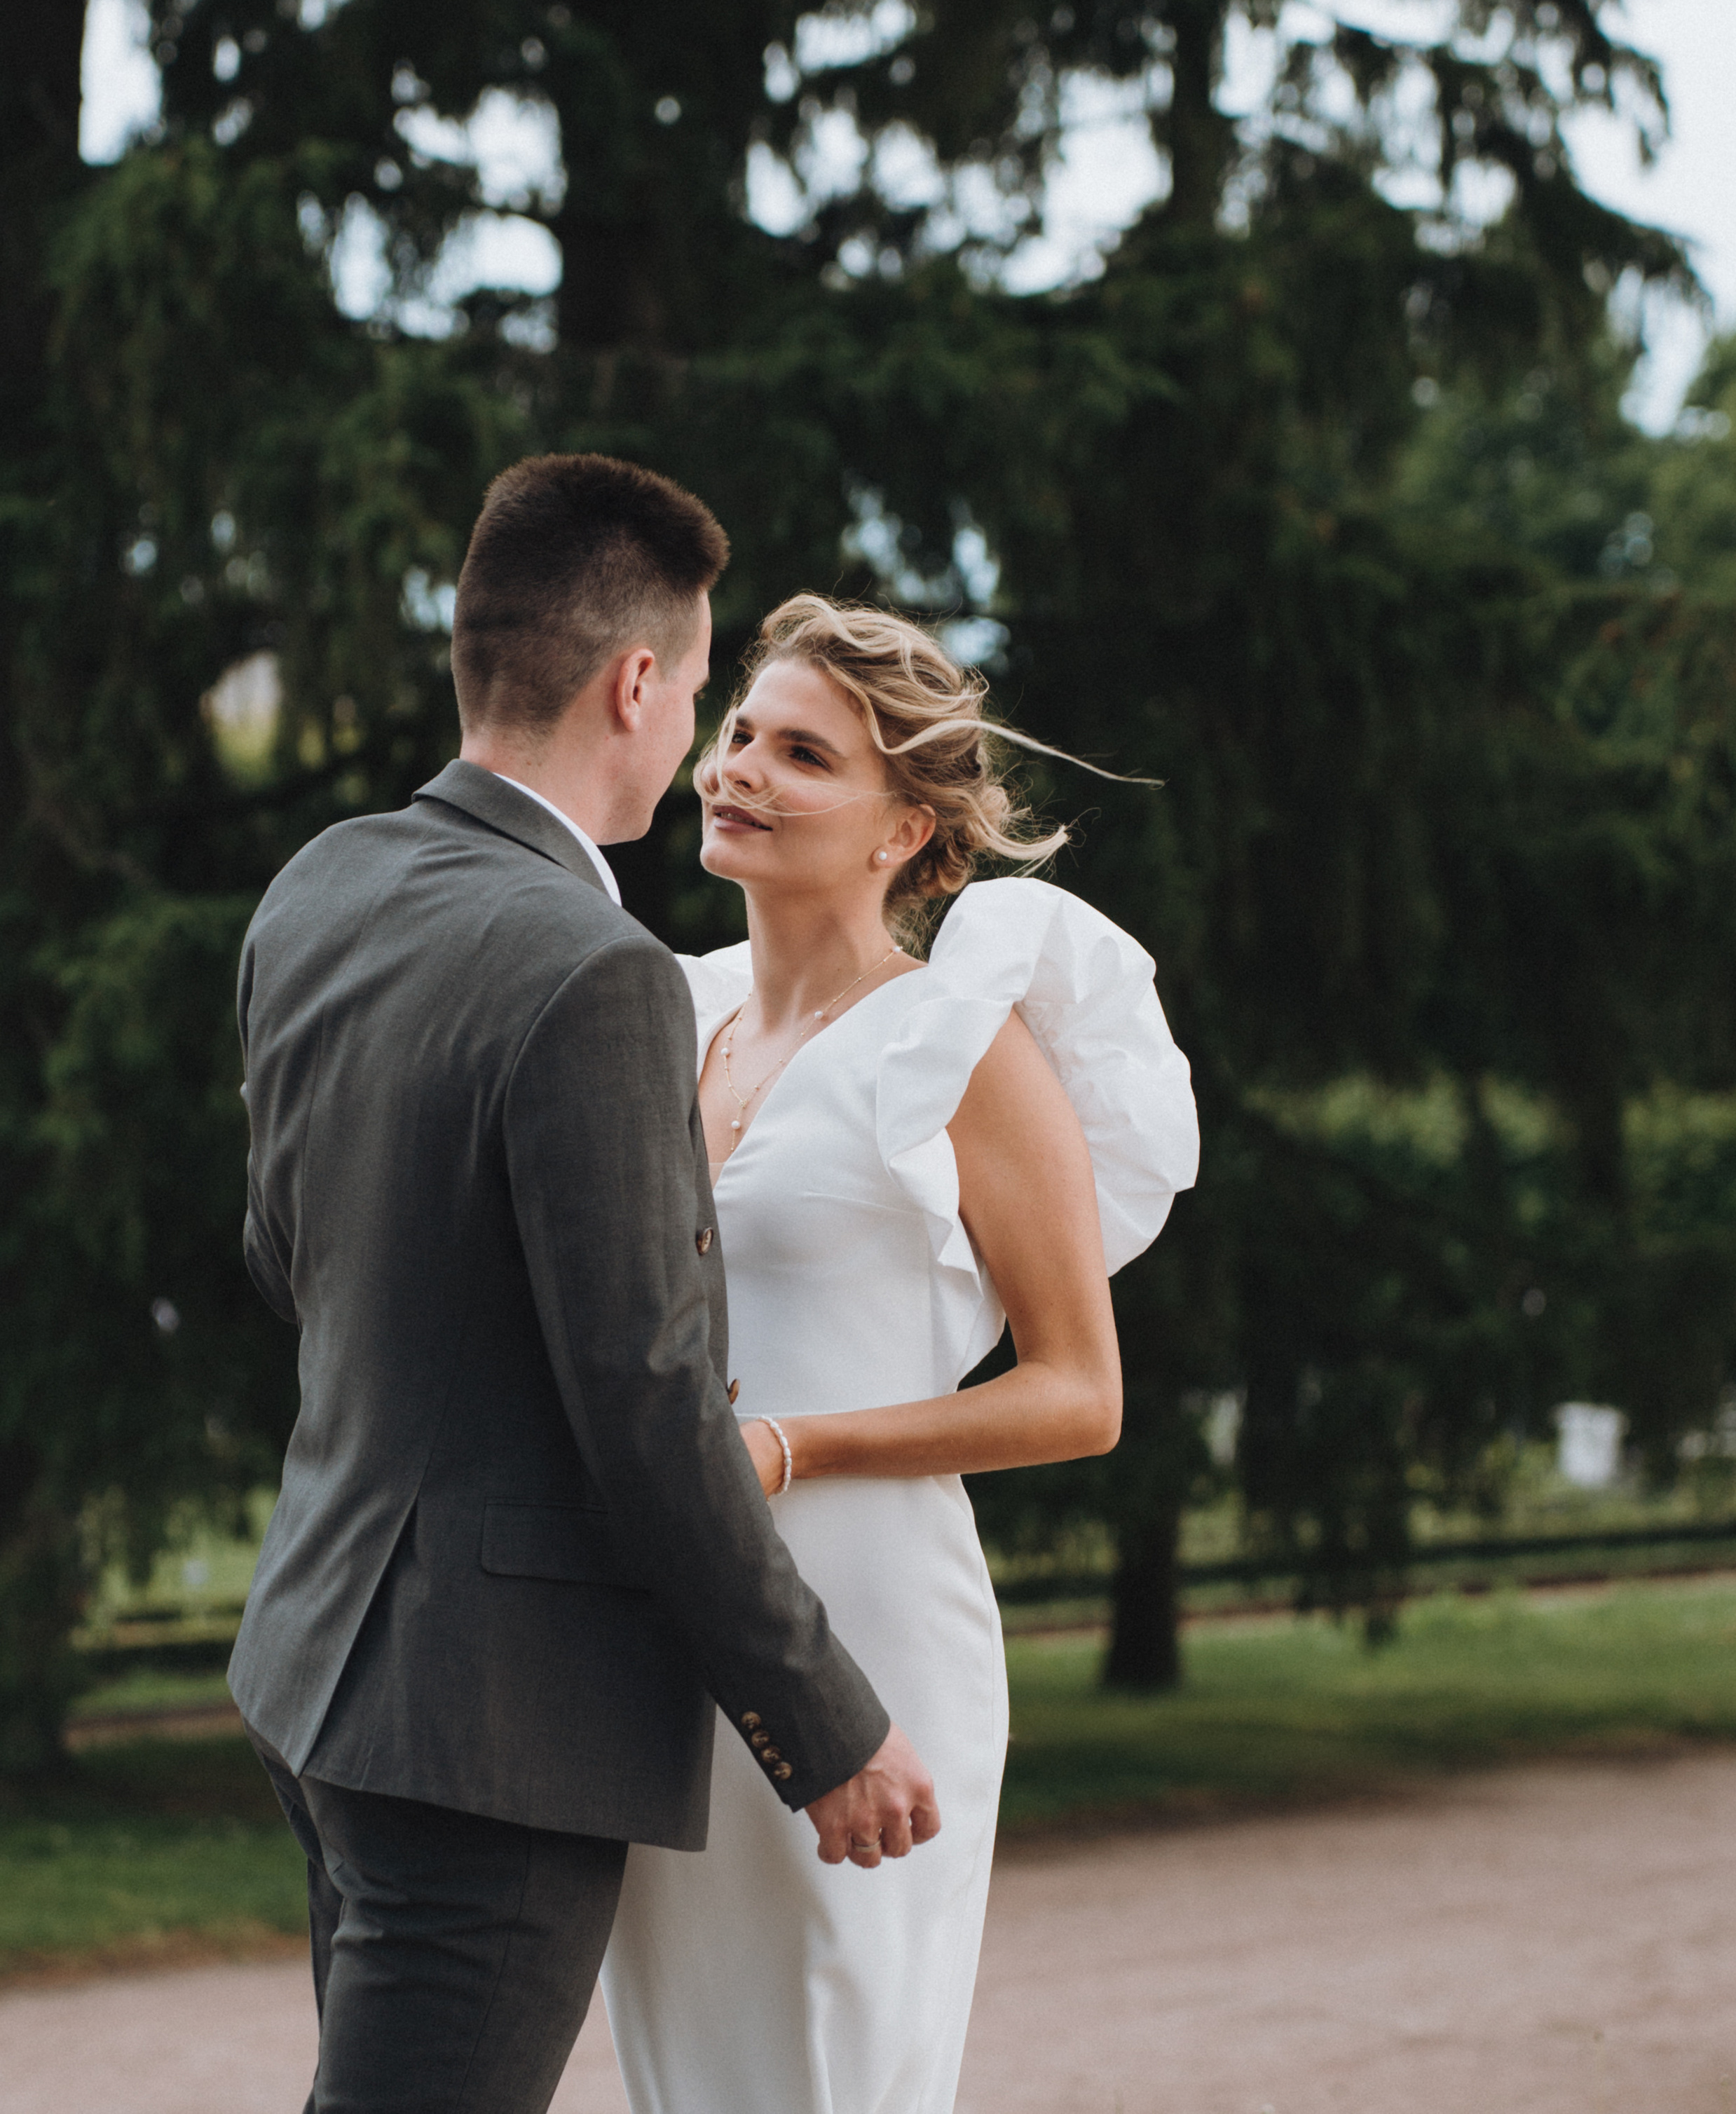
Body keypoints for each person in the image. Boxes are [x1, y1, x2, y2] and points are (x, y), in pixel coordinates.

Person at [228, 458, 938, 2114]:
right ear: (635, 683)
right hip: (487, 1729)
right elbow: (643, 1404)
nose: (701, 735)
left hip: (316, 1661)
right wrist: (821, 1723)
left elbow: (285, 1259)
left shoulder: (322, 883)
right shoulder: (598, 972)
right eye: (701, 693)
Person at [599, 594, 1200, 2114]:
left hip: (867, 1621)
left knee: (831, 2066)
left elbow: (1080, 1393)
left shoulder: (959, 1040)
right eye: (738, 733)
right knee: (687, 2074)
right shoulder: (670, 1016)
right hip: (667, 1621)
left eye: (800, 754)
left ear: (902, 829)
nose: (737, 769)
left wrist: (793, 1447)